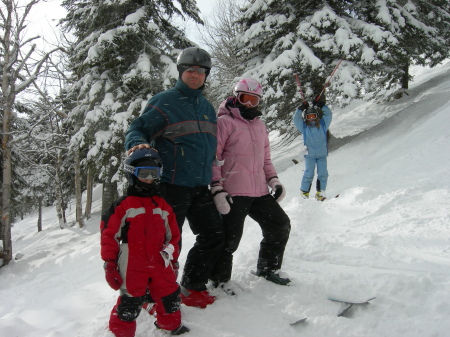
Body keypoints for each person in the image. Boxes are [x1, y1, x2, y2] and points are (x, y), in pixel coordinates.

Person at [124, 47, 223, 309]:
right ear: (181, 72)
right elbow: (137, 128)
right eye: (190, 69)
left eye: (201, 71)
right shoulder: (165, 101)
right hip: (171, 186)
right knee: (165, 245)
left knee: (213, 235)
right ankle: (152, 296)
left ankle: (191, 286)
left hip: (200, 186)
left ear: (206, 75)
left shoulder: (207, 108)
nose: (195, 74)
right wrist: (139, 145)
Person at [209, 78, 292, 292]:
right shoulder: (224, 123)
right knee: (229, 240)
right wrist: (217, 188)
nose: (248, 104)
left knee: (279, 225)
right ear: (236, 97)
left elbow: (265, 159)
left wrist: (273, 180)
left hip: (259, 191)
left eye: (254, 100)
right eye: (245, 98)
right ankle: (220, 280)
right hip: (234, 191)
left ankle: (268, 268)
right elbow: (214, 158)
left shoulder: (259, 125)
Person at [100, 148, 189, 336]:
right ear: (132, 174)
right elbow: (109, 236)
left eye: (153, 174)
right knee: (130, 300)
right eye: (144, 174)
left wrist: (172, 260)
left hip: (159, 261)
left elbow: (173, 236)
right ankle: (120, 332)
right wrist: (110, 264)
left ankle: (170, 325)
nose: (149, 179)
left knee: (170, 295)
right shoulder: (123, 206)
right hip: (132, 262)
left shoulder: (163, 206)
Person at [293, 93, 333, 201]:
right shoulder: (305, 128)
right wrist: (301, 109)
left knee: (323, 173)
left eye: (313, 116)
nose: (311, 119)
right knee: (309, 173)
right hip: (310, 155)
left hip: (321, 154)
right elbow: (296, 119)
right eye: (309, 117)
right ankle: (304, 192)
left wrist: (322, 106)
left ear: (317, 116)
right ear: (306, 118)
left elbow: (329, 115)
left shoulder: (323, 126)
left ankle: (321, 192)